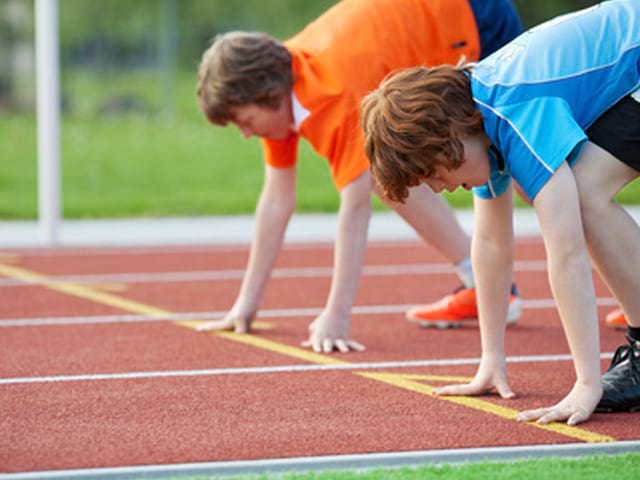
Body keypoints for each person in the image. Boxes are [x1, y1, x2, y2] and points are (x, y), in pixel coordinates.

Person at [361, 0, 640, 422]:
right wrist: (492, 357)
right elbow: (490, 242)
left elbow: (566, 255)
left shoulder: (514, 112)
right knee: (583, 192)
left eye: (433, 173)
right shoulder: (479, 122)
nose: (441, 188)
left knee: (582, 195)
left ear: (450, 138)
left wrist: (587, 383)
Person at [196, 0, 524, 352]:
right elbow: (276, 201)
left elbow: (354, 209)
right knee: (391, 175)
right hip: (445, 16)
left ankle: (521, 276)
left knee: (523, 165)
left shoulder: (333, 92)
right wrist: (246, 302)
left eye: (245, 122)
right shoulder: (286, 84)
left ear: (268, 96)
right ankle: (486, 284)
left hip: (473, 17)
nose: (246, 133)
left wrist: (337, 314)